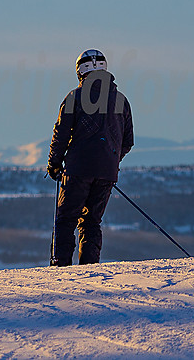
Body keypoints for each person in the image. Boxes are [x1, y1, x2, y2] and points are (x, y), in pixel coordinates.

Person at [47, 49, 134, 266]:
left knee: (66, 220)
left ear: (80, 72)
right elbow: (128, 141)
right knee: (92, 222)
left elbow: (61, 134)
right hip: (107, 173)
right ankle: (89, 269)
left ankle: (61, 268)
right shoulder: (121, 100)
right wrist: (111, 160)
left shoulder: (74, 97)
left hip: (77, 170)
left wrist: (54, 164)